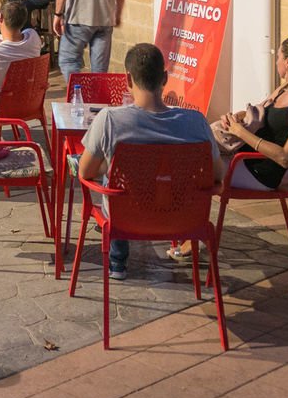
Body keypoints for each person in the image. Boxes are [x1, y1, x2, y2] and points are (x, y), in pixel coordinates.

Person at [76, 43, 223, 280]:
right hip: (182, 217)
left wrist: (110, 167)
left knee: (115, 179)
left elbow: (85, 171)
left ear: (127, 79)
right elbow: (218, 175)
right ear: (165, 77)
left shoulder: (110, 120)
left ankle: (117, 262)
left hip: (127, 218)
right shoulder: (197, 122)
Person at [217, 34, 288, 191]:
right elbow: (259, 113)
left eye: (278, 57)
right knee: (194, 153)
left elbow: (286, 157)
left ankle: (188, 213)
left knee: (195, 168)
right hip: (241, 159)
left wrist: (241, 132)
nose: (276, 62)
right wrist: (238, 117)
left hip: (260, 172)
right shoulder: (285, 88)